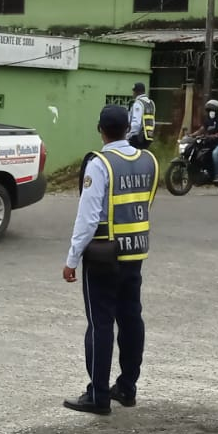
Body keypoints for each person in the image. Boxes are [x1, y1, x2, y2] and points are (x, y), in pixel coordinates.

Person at [61, 105, 159, 415]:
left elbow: (88, 218)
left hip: (104, 255)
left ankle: (98, 395)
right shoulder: (149, 161)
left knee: (100, 324)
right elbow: (144, 204)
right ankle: (127, 388)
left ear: (101, 130)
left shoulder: (100, 164)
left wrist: (72, 259)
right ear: (128, 129)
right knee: (131, 319)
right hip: (136, 252)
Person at [197, 99, 218, 183]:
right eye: (209, 110)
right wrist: (191, 135)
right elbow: (201, 129)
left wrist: (217, 135)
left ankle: (217, 175)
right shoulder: (208, 119)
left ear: (217, 111)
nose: (211, 112)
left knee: (215, 153)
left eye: (213, 110)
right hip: (211, 142)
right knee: (199, 152)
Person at [127, 81, 156, 150]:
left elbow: (136, 123)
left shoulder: (138, 103)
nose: (133, 93)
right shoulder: (151, 103)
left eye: (133, 91)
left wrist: (128, 136)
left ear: (137, 92)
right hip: (148, 136)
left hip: (137, 138)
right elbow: (153, 121)